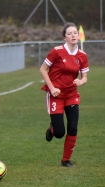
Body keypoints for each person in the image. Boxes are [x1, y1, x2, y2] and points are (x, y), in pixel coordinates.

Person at [40, 22, 89, 167]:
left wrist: (82, 81)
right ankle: (53, 128)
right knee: (60, 132)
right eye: (69, 33)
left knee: (73, 128)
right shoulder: (56, 51)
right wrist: (52, 87)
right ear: (64, 37)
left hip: (72, 94)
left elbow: (85, 76)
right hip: (56, 94)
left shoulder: (82, 55)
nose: (73, 35)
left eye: (75, 33)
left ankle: (65, 160)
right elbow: (43, 70)